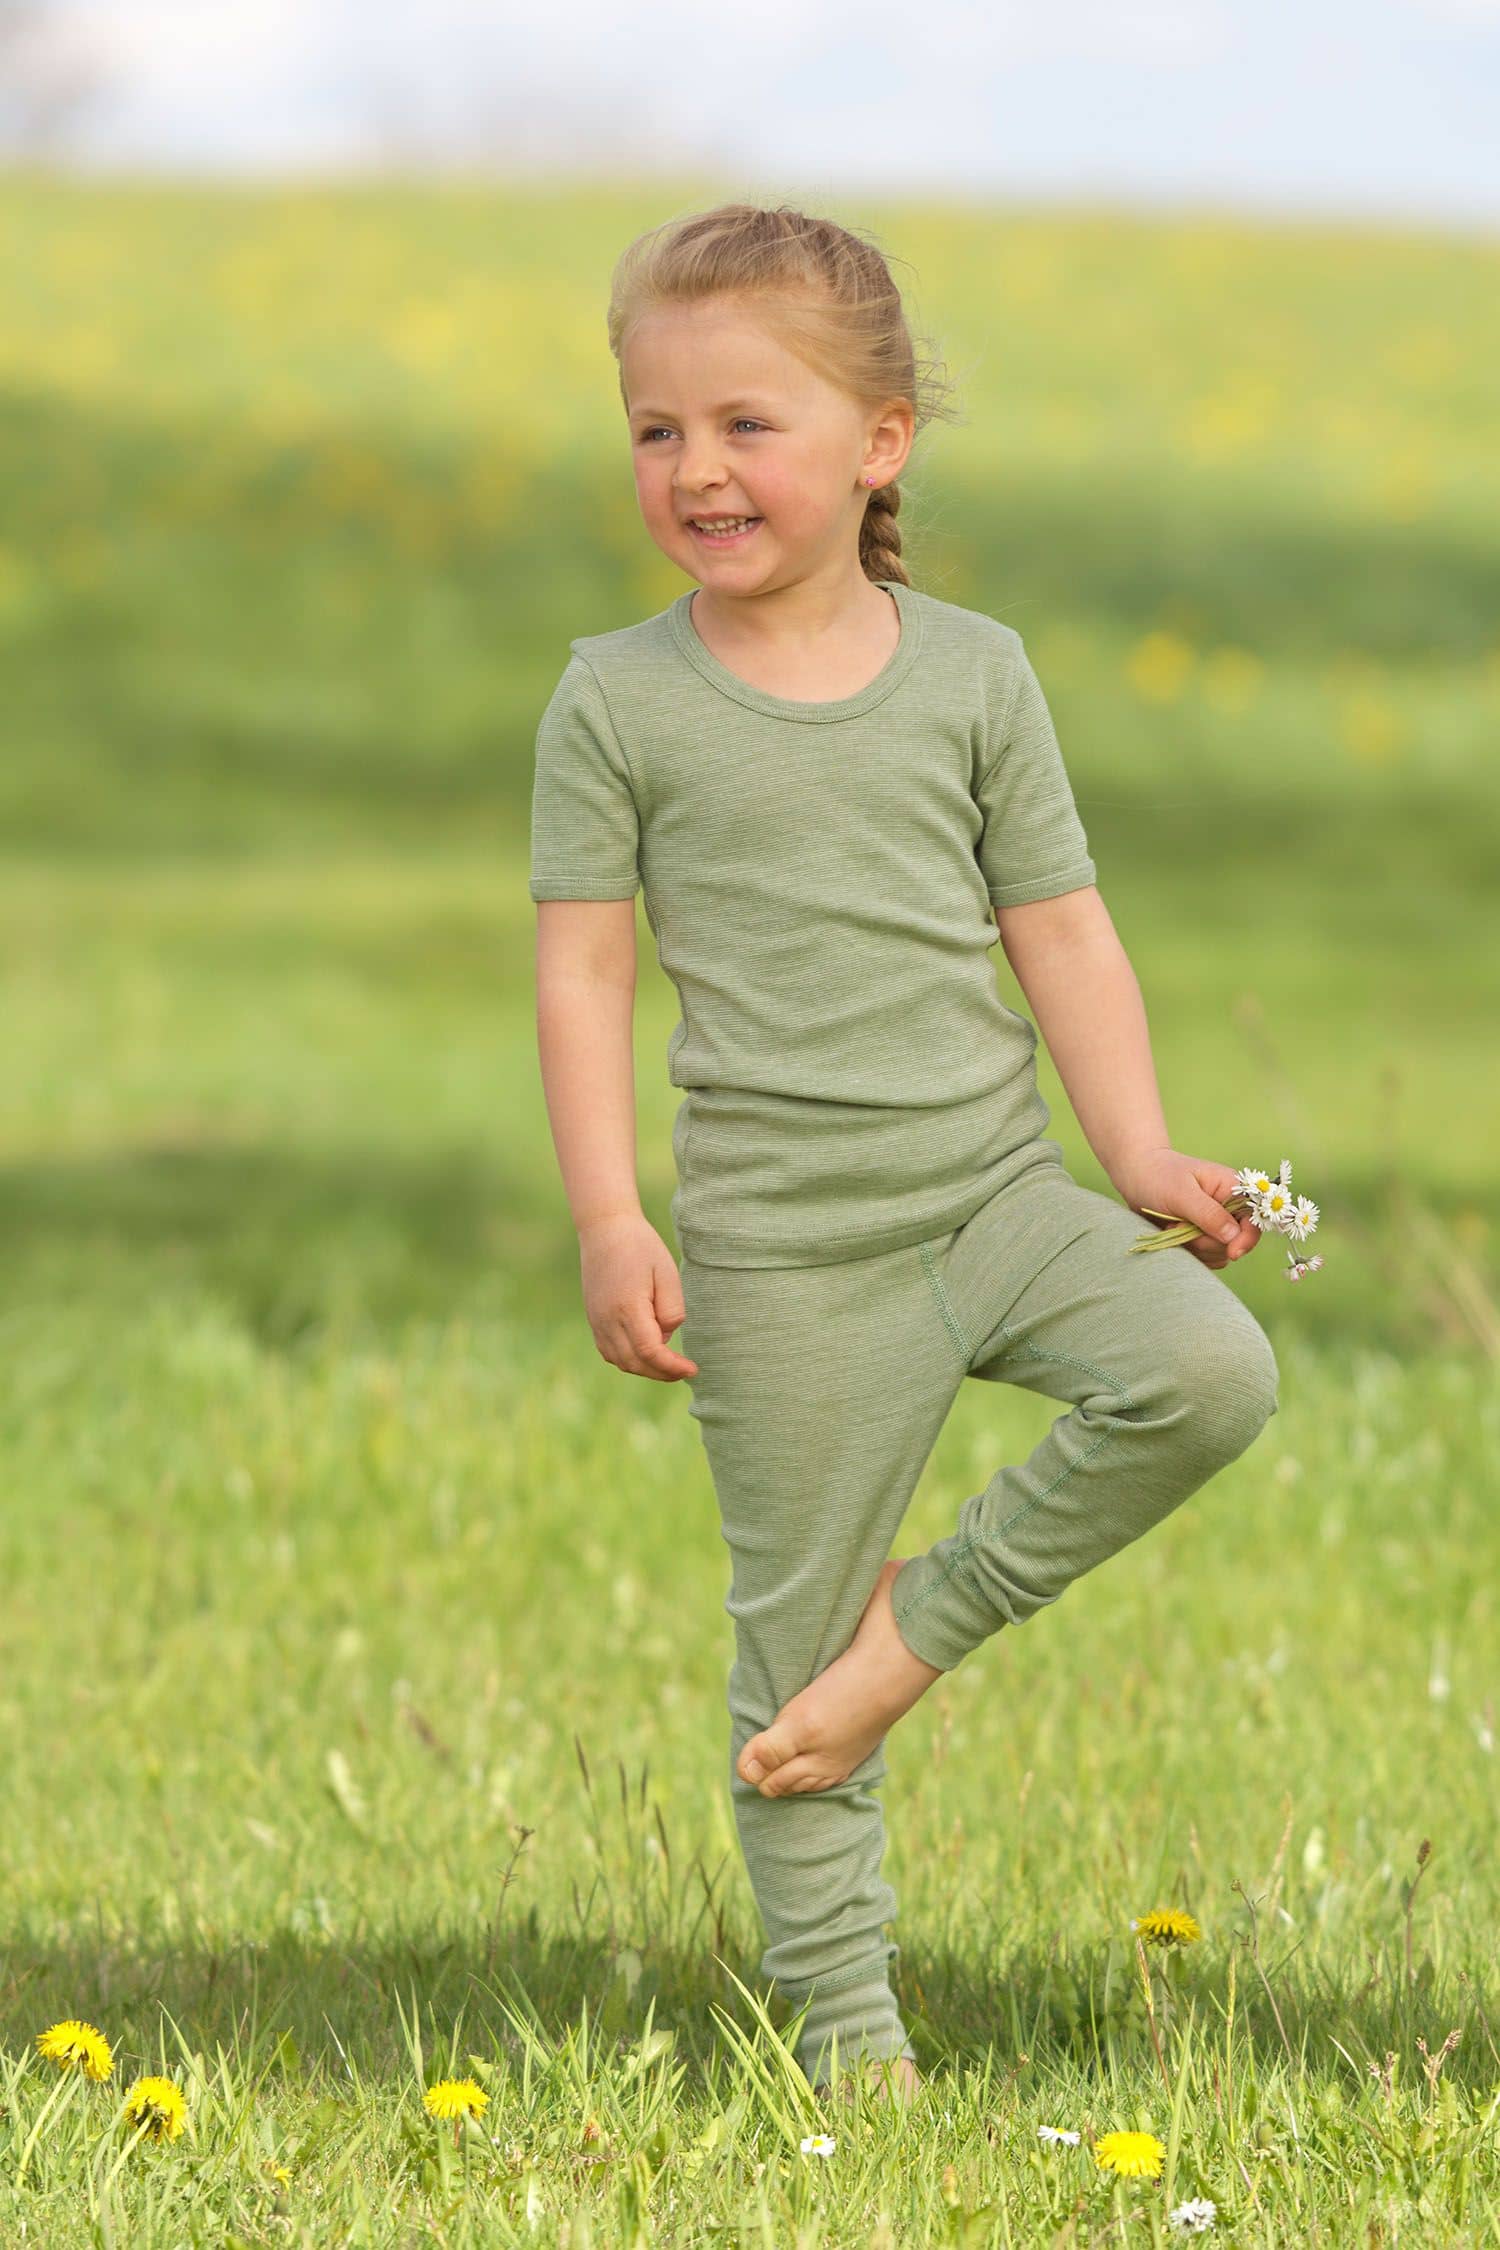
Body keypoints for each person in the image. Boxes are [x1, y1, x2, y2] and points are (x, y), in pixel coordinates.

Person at [528, 202, 1279, 2107]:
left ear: (881, 440)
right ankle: (854, 2054)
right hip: (782, 1254)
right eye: (653, 428)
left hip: (997, 1196)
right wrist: (613, 1215)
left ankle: (921, 1629)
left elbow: (1066, 931)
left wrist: (1142, 1156)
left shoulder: (975, 674)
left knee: (1207, 1373)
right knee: (792, 1676)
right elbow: (583, 971)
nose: (693, 469)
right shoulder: (614, 699)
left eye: (744, 424)